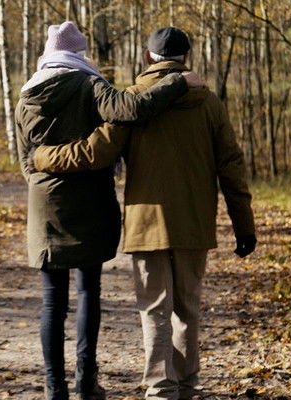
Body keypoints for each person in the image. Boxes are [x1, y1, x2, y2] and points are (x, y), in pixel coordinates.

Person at [33, 26, 256, 400]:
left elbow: (96, 152)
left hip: (146, 221)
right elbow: (231, 165)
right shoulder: (209, 102)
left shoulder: (132, 100)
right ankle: (186, 385)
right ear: (186, 58)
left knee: (154, 309)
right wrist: (243, 225)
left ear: (147, 57)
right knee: (187, 308)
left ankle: (159, 387)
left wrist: (42, 156)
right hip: (194, 222)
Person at [15, 21, 203, 400]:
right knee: (88, 292)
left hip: (45, 205)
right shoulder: (89, 85)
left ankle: (55, 389)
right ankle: (86, 383)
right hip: (91, 202)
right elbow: (129, 108)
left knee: (52, 301)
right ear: (79, 53)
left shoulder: (26, 95)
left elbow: (26, 162)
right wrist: (180, 82)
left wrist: (43, 176)